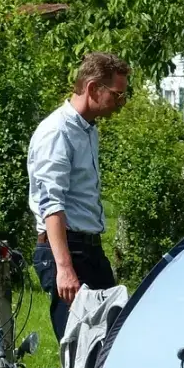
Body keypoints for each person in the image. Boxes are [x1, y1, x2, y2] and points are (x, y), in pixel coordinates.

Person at [28, 51, 130, 342]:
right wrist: (64, 269)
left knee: (110, 341)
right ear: (93, 88)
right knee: (79, 348)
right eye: (117, 95)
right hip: (66, 250)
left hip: (89, 250)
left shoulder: (87, 130)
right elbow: (51, 205)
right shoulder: (57, 132)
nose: (120, 103)